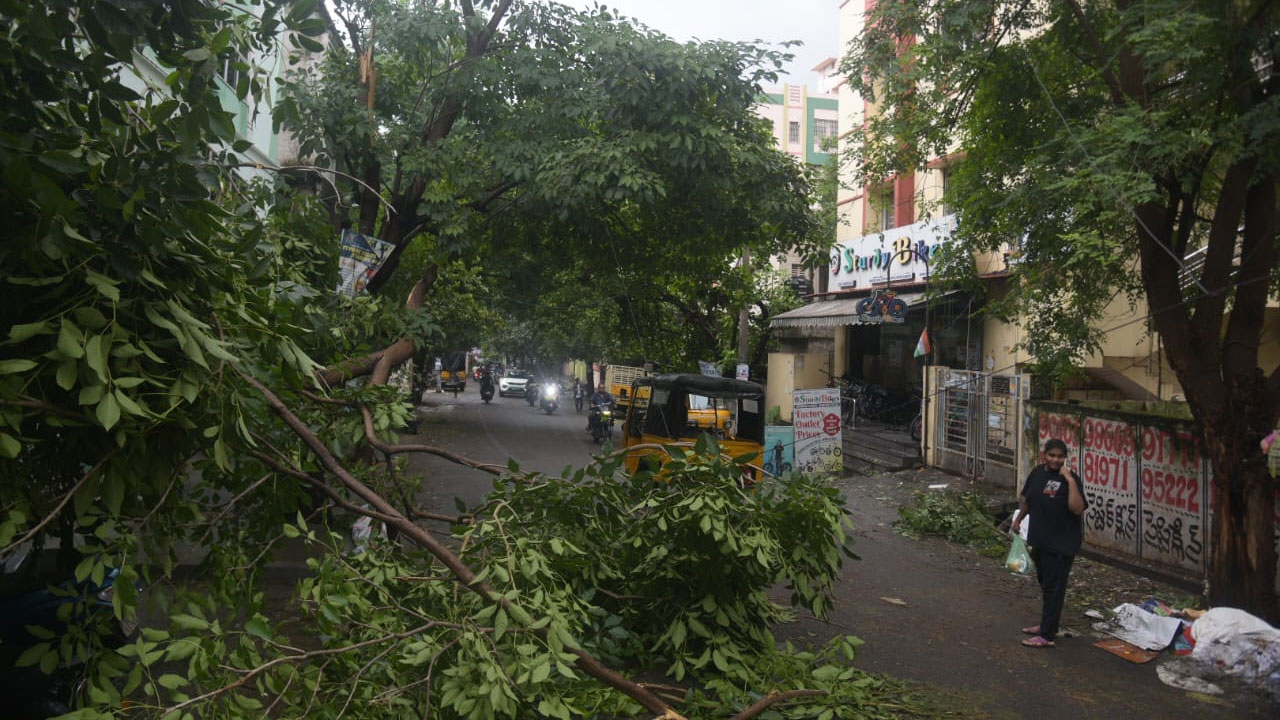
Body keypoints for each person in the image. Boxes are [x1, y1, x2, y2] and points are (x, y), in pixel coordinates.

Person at [1011, 438, 1087, 648]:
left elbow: (1077, 508)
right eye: (1052, 455)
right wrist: (1018, 519)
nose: (1056, 460)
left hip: (1061, 544)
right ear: (1044, 455)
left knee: (1055, 589)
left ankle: (1047, 635)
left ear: (1065, 458)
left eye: (1060, 456)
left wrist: (1070, 481)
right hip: (1040, 540)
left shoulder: (1070, 479)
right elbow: (1029, 499)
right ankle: (1046, 623)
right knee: (1046, 585)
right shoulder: (1037, 473)